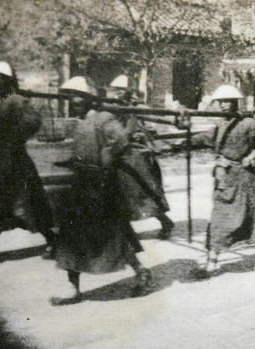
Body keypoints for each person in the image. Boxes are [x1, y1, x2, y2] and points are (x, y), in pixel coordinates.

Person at [51, 77, 151, 303]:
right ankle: (72, 287)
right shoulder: (80, 123)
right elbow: (85, 150)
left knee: (113, 235)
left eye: (77, 97)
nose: (73, 101)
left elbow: (121, 140)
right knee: (71, 235)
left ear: (89, 99)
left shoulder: (103, 118)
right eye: (70, 97)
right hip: (82, 185)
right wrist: (73, 162)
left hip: (102, 186)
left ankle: (141, 271)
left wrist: (103, 163)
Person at [191, 84, 255, 275]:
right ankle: (211, 263)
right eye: (220, 102)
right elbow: (202, 138)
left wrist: (252, 156)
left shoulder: (248, 123)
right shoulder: (220, 126)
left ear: (235, 103)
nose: (223, 105)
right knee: (219, 218)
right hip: (224, 180)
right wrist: (183, 133)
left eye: (227, 102)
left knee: (252, 220)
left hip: (244, 179)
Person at [0, 62, 56, 260]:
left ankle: (53, 241)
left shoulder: (17, 101)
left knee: (28, 204)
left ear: (8, 81)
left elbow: (33, 123)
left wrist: (14, 136)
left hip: (16, 160)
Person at [109, 75, 174, 240]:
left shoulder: (138, 107)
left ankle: (165, 222)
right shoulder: (115, 108)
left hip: (138, 154)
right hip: (123, 152)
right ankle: (125, 229)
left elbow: (153, 121)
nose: (117, 94)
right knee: (123, 192)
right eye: (116, 91)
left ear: (128, 92)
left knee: (145, 191)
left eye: (120, 91)